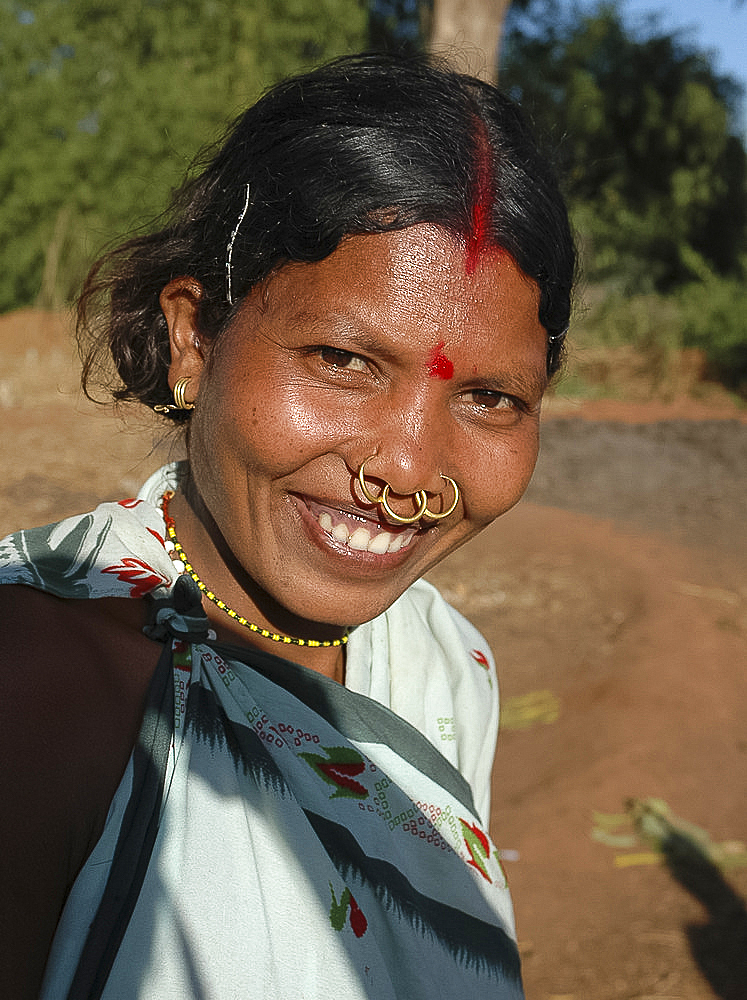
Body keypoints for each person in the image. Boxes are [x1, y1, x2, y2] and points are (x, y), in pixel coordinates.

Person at [0, 52, 574, 999]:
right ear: (193, 336)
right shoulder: (37, 690)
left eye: (489, 397)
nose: (405, 471)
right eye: (344, 360)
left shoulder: (444, 662)